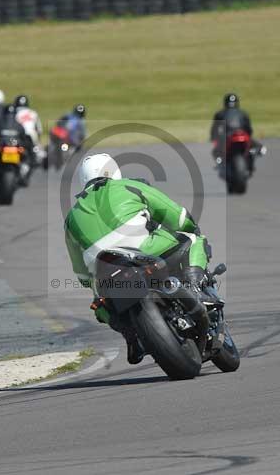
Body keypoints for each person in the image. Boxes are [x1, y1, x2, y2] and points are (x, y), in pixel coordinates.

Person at [64, 153, 212, 365]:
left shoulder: (70, 218)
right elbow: (175, 215)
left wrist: (93, 284)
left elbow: (80, 273)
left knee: (100, 304)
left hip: (105, 269)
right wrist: (187, 224)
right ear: (113, 171)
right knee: (193, 237)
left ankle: (129, 334)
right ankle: (195, 285)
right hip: (143, 251)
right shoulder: (129, 186)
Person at [209, 93, 263, 170]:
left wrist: (213, 137)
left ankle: (220, 163)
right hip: (241, 135)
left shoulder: (220, 114)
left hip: (229, 136)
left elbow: (215, 128)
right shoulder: (243, 113)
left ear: (225, 103)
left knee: (216, 150)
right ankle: (253, 157)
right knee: (255, 146)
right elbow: (249, 129)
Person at [14, 95, 45, 163]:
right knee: (40, 154)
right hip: (32, 137)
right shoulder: (33, 113)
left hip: (19, 137)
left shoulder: (14, 113)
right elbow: (39, 130)